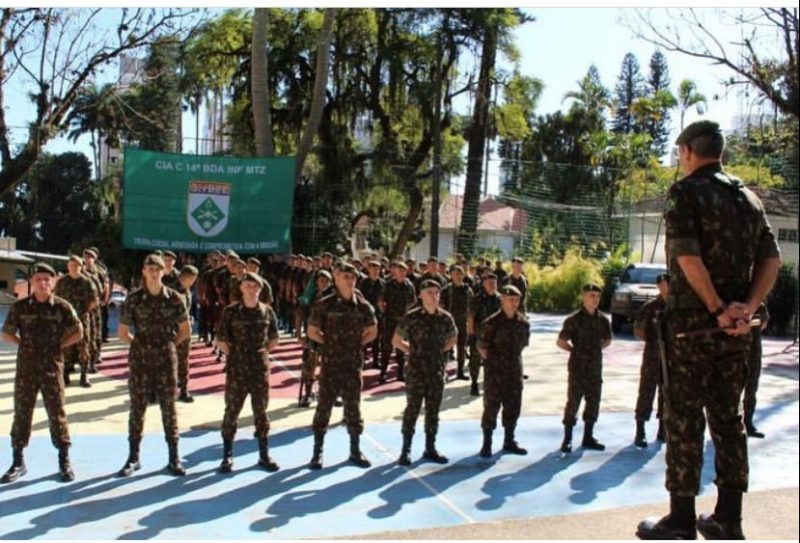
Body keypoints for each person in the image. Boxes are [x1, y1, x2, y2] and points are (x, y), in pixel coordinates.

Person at [636, 120, 781, 540]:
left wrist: (717, 308)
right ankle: (728, 517)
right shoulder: (749, 199)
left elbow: (687, 258)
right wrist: (746, 309)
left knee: (683, 418)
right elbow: (770, 260)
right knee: (728, 420)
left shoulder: (686, 194)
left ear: (687, 152)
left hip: (692, 331)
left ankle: (681, 518)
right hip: (737, 332)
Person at [1, 263, 83, 483]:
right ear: (31, 282)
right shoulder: (20, 307)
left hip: (51, 367)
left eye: (47, 279)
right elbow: (6, 334)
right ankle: (18, 461)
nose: (43, 283)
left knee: (57, 413)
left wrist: (59, 346)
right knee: (22, 413)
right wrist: (24, 344)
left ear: (53, 282)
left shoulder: (62, 307)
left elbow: (78, 332)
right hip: (26, 368)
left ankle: (64, 460)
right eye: (38, 279)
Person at [117, 254, 192, 477]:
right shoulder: (134, 299)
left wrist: (167, 345)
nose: (154, 272)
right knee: (137, 408)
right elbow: (123, 332)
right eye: (150, 268)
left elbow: (185, 330)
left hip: (166, 360)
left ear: (164, 272)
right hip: (141, 360)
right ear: (143, 271)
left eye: (158, 269)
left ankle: (174, 458)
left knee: (168, 408)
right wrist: (140, 345)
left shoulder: (175, 298)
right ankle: (133, 457)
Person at [307, 263, 378, 469]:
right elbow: (312, 331)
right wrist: (329, 344)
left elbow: (372, 331)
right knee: (324, 406)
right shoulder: (325, 304)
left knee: (353, 407)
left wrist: (355, 344)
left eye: (352, 277)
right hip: (330, 364)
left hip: (352, 364)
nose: (349, 280)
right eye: (345, 276)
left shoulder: (363, 305)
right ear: (336, 278)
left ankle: (355, 451)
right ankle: (317, 452)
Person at [216, 272, 281, 473]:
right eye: (248, 285)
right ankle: (227, 456)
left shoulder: (267, 311)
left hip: (259, 369)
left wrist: (258, 353)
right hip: (237, 368)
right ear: (242, 288)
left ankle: (263, 455)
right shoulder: (231, 311)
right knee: (232, 411)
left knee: (261, 412)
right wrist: (237, 355)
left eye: (255, 286)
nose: (252, 289)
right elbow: (221, 340)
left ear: (260, 289)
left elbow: (273, 339)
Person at [392, 279, 458, 465]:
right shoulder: (411, 317)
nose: (434, 296)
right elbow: (396, 340)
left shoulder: (445, 317)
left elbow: (453, 337)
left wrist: (439, 351)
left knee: (433, 411)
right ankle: (406, 450)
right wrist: (412, 351)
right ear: (420, 295)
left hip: (436, 370)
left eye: (437, 292)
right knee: (412, 409)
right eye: (429, 292)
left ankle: (430, 448)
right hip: (416, 371)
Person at [476, 284, 531, 458]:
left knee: (513, 407)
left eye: (517, 300)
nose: (514, 303)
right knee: (491, 407)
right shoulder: (491, 323)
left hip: (514, 371)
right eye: (510, 299)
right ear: (502, 300)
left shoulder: (523, 323)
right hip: (494, 373)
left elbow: (522, 346)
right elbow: (481, 347)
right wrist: (494, 362)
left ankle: (509, 440)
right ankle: (487, 443)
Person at [556, 283, 612, 453]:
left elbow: (608, 340)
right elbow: (561, 342)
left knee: (593, 401)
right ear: (584, 297)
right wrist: (575, 351)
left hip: (594, 366)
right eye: (591, 296)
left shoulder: (603, 320)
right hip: (578, 367)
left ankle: (588, 436)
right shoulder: (573, 320)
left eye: (597, 296)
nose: (595, 300)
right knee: (573, 401)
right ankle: (567, 438)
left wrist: (594, 350)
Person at [633, 273, 669, 448]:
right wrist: (653, 342)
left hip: (670, 357)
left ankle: (663, 428)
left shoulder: (676, 307)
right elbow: (638, 330)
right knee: (647, 391)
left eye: (668, 283)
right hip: (652, 355)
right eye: (662, 284)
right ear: (658, 286)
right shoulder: (650, 307)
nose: (665, 287)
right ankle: (640, 430)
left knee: (667, 393)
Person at [54, 255, 99, 388]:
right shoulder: (62, 282)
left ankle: (84, 375)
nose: (74, 268)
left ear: (81, 267)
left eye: (77, 265)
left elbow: (95, 301)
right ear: (68, 266)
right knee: (66, 347)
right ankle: (66, 373)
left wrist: (83, 311)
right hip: (66, 321)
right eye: (71, 265)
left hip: (82, 320)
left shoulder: (87, 282)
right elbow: (56, 299)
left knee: (84, 347)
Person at [297, 270, 332, 408]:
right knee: (309, 366)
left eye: (326, 280)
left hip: (329, 336)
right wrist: (299, 334)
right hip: (312, 335)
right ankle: (308, 394)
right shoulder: (309, 297)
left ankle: (329, 394)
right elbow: (299, 314)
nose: (324, 282)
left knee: (329, 366)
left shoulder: (334, 298)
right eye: (321, 280)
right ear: (316, 282)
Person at [378, 261, 416, 383]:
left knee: (401, 348)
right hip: (390, 320)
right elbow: (381, 301)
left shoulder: (409, 286)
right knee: (386, 347)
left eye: (404, 271)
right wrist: (385, 311)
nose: (401, 273)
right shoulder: (388, 285)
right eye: (399, 270)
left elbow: (413, 302)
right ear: (395, 272)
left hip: (403, 322)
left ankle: (400, 373)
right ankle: (383, 372)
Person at [467, 273, 502, 396]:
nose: (492, 285)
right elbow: (471, 317)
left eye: (494, 283)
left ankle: (491, 383)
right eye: (489, 283)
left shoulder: (500, 298)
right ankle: (474, 383)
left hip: (495, 336)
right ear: (484, 284)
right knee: (475, 360)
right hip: (480, 334)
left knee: (494, 360)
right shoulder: (477, 298)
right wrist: (471, 335)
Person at [441, 265, 472, 380]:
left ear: (463, 275)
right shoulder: (447, 289)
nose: (458, 277)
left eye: (460, 274)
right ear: (451, 276)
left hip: (462, 322)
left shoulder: (468, 290)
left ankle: (460, 372)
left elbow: (471, 307)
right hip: (449, 323)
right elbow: (441, 306)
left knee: (462, 348)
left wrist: (470, 322)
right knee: (446, 348)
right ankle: (443, 372)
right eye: (455, 274)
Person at [743, 304, 769, 439]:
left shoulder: (759, 303)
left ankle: (748, 422)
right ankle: (731, 423)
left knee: (752, 384)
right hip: (735, 347)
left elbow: (764, 321)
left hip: (754, 347)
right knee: (730, 385)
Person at [175, 265, 199, 403]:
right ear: (185, 276)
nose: (193, 282)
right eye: (192, 279)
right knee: (168, 361)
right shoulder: (173, 290)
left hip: (185, 331)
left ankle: (184, 390)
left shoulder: (187, 290)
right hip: (173, 330)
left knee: (184, 361)